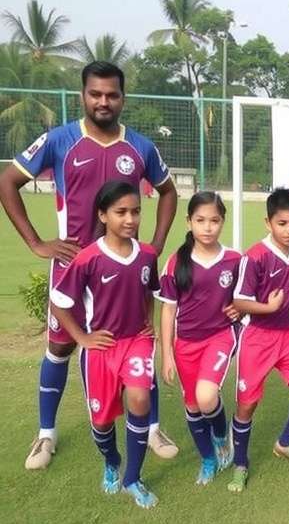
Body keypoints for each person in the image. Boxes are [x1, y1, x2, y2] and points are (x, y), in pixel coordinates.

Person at [0, 61, 179, 469]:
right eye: (95, 94)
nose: (103, 101)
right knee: (61, 345)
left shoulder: (140, 148)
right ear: (83, 95)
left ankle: (152, 427)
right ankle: (46, 434)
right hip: (74, 266)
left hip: (127, 270)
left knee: (139, 340)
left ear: (123, 98)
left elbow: (167, 192)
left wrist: (156, 243)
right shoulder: (59, 140)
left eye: (112, 94)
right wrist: (35, 242)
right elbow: (7, 181)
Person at [49, 181, 161, 508]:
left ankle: (132, 478)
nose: (130, 219)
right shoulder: (88, 258)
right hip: (100, 348)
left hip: (136, 344)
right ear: (103, 214)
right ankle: (112, 460)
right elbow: (59, 302)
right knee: (101, 422)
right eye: (120, 212)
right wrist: (82, 338)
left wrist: (148, 321)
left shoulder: (147, 255)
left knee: (140, 399)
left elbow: (148, 292)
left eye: (136, 211)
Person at [227, 188, 289, 492]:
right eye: (282, 223)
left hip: (287, 334)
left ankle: (286, 443)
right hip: (257, 338)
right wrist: (268, 307)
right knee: (247, 406)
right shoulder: (255, 256)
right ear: (268, 223)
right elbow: (239, 301)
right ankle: (240, 462)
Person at [158, 192, 240, 485]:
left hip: (220, 336)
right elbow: (168, 310)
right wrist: (167, 353)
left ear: (223, 222)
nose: (208, 227)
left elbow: (244, 299)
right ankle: (207, 458)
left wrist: (238, 309)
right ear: (189, 221)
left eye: (214, 221)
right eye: (200, 220)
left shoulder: (234, 260)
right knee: (192, 405)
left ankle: (220, 436)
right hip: (186, 344)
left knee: (207, 397)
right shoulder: (175, 262)